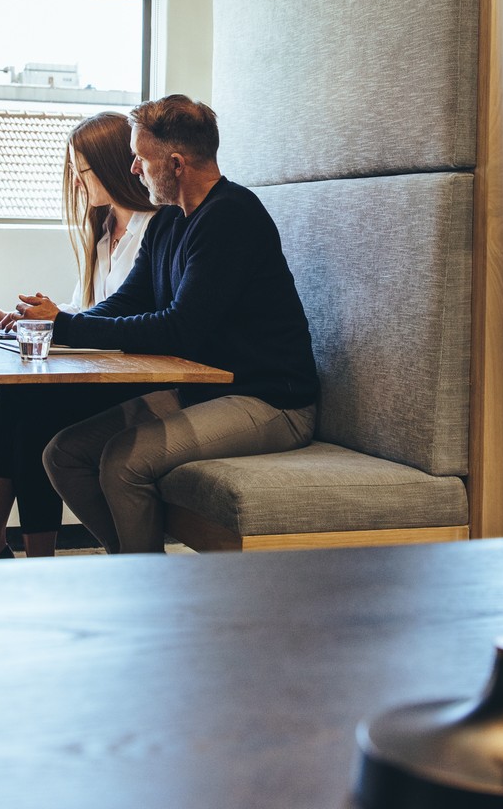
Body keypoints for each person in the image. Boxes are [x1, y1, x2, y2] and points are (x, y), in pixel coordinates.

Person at [42, 95, 319, 553]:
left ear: (174, 164)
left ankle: (149, 590)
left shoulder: (232, 216)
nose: (133, 170)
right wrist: (57, 325)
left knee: (122, 462)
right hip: (210, 391)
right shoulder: (170, 220)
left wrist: (69, 330)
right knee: (64, 454)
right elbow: (129, 301)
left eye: (140, 159)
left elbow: (179, 328)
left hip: (271, 400)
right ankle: (139, 570)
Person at [0, 111, 159, 559]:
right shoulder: (101, 234)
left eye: (84, 172)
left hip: (136, 374)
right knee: (15, 388)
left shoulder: (154, 230)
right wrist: (30, 319)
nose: (78, 184)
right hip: (101, 366)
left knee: (35, 401)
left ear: (117, 166)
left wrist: (59, 321)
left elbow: (128, 320)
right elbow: (87, 312)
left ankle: (25, 552)